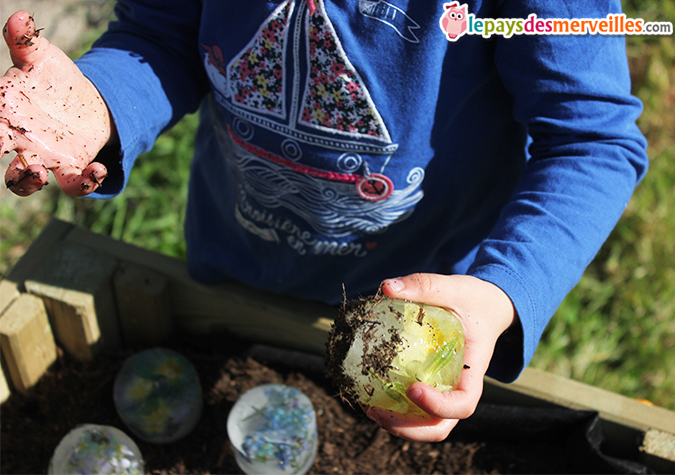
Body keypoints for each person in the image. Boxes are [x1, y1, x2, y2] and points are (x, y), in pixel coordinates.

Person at [0, 1, 648, 442]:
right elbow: (161, 33)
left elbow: (591, 143)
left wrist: (502, 289)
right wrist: (103, 103)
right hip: (238, 265)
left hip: (411, 320)